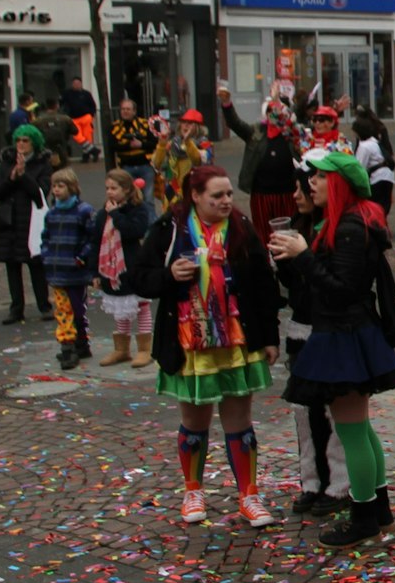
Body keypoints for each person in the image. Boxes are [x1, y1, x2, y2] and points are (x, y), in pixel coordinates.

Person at [268, 150, 395, 548]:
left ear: (339, 185)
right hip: (347, 333)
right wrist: (295, 259)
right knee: (359, 428)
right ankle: (378, 511)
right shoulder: (348, 220)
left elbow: (341, 289)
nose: (310, 183)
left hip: (345, 335)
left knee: (351, 431)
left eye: (319, 177)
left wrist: (304, 256)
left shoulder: (349, 225)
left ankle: (364, 518)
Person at [133, 165, 282, 529]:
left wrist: (269, 337)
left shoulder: (241, 227)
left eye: (229, 193)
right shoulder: (170, 228)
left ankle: (249, 495)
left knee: (239, 420)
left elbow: (264, 285)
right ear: (196, 196)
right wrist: (169, 276)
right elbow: (138, 278)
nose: (226, 201)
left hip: (237, 340)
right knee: (194, 420)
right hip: (189, 344)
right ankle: (193, 491)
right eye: (217, 196)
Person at [277, 177, 348, 519]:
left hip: (330, 330)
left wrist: (303, 256)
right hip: (300, 328)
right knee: (305, 412)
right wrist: (282, 261)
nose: (296, 195)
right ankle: (312, 480)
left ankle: (340, 483)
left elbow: (335, 286)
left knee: (337, 412)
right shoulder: (296, 226)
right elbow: (294, 285)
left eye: (303, 187)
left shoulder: (339, 229)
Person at [0, 124, 53, 325]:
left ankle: (44, 305)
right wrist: (11, 177)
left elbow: (41, 193)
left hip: (31, 220)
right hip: (9, 220)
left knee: (36, 264)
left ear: (34, 143)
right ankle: (16, 309)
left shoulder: (42, 164)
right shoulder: (6, 162)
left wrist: (23, 175)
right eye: (18, 140)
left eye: (25, 140)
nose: (21, 144)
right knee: (12, 264)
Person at [219, 86, 303, 237]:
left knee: (288, 233)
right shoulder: (256, 131)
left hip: (287, 194)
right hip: (261, 195)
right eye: (270, 110)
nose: (273, 114)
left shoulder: (292, 133)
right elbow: (235, 124)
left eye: (277, 110)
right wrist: (227, 104)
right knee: (264, 234)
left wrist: (276, 100)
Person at [92, 169, 155, 369]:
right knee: (119, 307)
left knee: (140, 305)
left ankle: (145, 349)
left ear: (126, 189)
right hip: (111, 267)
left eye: (114, 188)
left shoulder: (138, 209)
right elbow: (96, 241)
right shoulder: (103, 213)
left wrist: (116, 215)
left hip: (132, 264)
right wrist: (94, 272)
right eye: (107, 188)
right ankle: (122, 349)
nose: (109, 192)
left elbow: (134, 231)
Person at [41, 167, 97, 370]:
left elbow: (92, 238)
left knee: (77, 310)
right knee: (63, 310)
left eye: (61, 185)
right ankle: (68, 347)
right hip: (57, 269)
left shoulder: (84, 211)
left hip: (75, 270)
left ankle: (81, 343)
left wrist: (81, 257)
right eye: (54, 186)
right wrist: (46, 255)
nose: (56, 190)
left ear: (72, 187)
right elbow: (46, 237)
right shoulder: (52, 213)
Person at [150, 109, 210, 213]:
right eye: (183, 122)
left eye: (190, 123)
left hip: (194, 190)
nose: (185, 125)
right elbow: (157, 164)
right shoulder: (172, 143)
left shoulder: (204, 144)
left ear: (198, 127)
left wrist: (188, 142)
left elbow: (199, 162)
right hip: (173, 190)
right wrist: (162, 143)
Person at [352, 107, 395, 218]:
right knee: (383, 207)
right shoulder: (374, 142)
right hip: (388, 176)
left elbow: (360, 167)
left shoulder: (364, 146)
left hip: (376, 178)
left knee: (374, 207)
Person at [107, 99, 159, 187]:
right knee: (130, 193)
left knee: (148, 194)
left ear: (134, 111)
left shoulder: (145, 124)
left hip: (146, 166)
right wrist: (129, 145)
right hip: (126, 167)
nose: (125, 111)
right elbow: (112, 146)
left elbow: (154, 143)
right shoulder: (114, 127)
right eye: (123, 109)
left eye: (128, 109)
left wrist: (141, 145)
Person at [62, 77, 100, 161]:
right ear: (72, 84)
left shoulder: (86, 94)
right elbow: (63, 103)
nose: (76, 85)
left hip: (86, 117)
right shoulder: (67, 94)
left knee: (87, 136)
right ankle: (94, 150)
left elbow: (92, 105)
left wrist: (91, 114)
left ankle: (86, 156)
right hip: (74, 118)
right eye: (75, 84)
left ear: (81, 84)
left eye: (78, 83)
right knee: (77, 136)